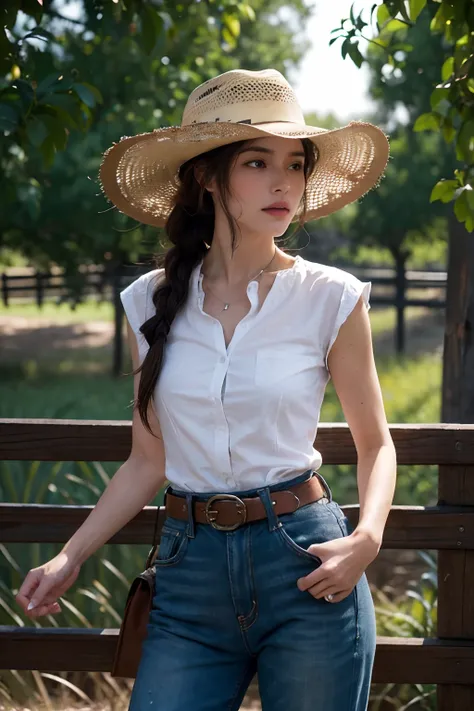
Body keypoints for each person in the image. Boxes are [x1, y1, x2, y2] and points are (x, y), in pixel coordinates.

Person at [16, 68, 397, 710]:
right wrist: (68, 557)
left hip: (305, 562)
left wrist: (367, 541)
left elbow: (376, 443)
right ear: (207, 177)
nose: (284, 183)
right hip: (189, 574)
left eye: (296, 164)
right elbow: (148, 461)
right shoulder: (148, 302)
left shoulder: (329, 297)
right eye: (257, 162)